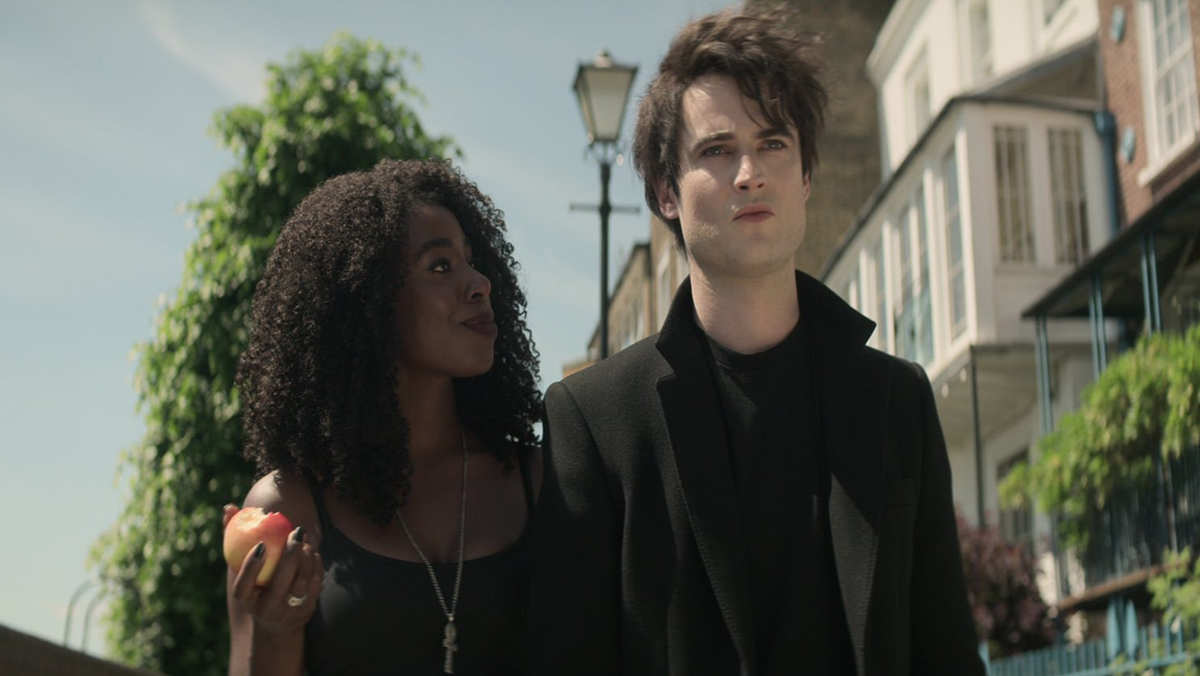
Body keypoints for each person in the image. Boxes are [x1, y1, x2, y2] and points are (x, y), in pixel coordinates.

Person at [529, 7, 985, 676]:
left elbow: (946, 654)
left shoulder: (896, 398)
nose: (750, 172)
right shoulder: (594, 422)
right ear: (665, 193)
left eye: (773, 143)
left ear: (806, 176)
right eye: (717, 150)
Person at [224, 159, 542, 676]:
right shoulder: (288, 512)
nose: (479, 282)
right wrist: (277, 631)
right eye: (440, 267)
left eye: (470, 260)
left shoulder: (540, 483)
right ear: (365, 303)